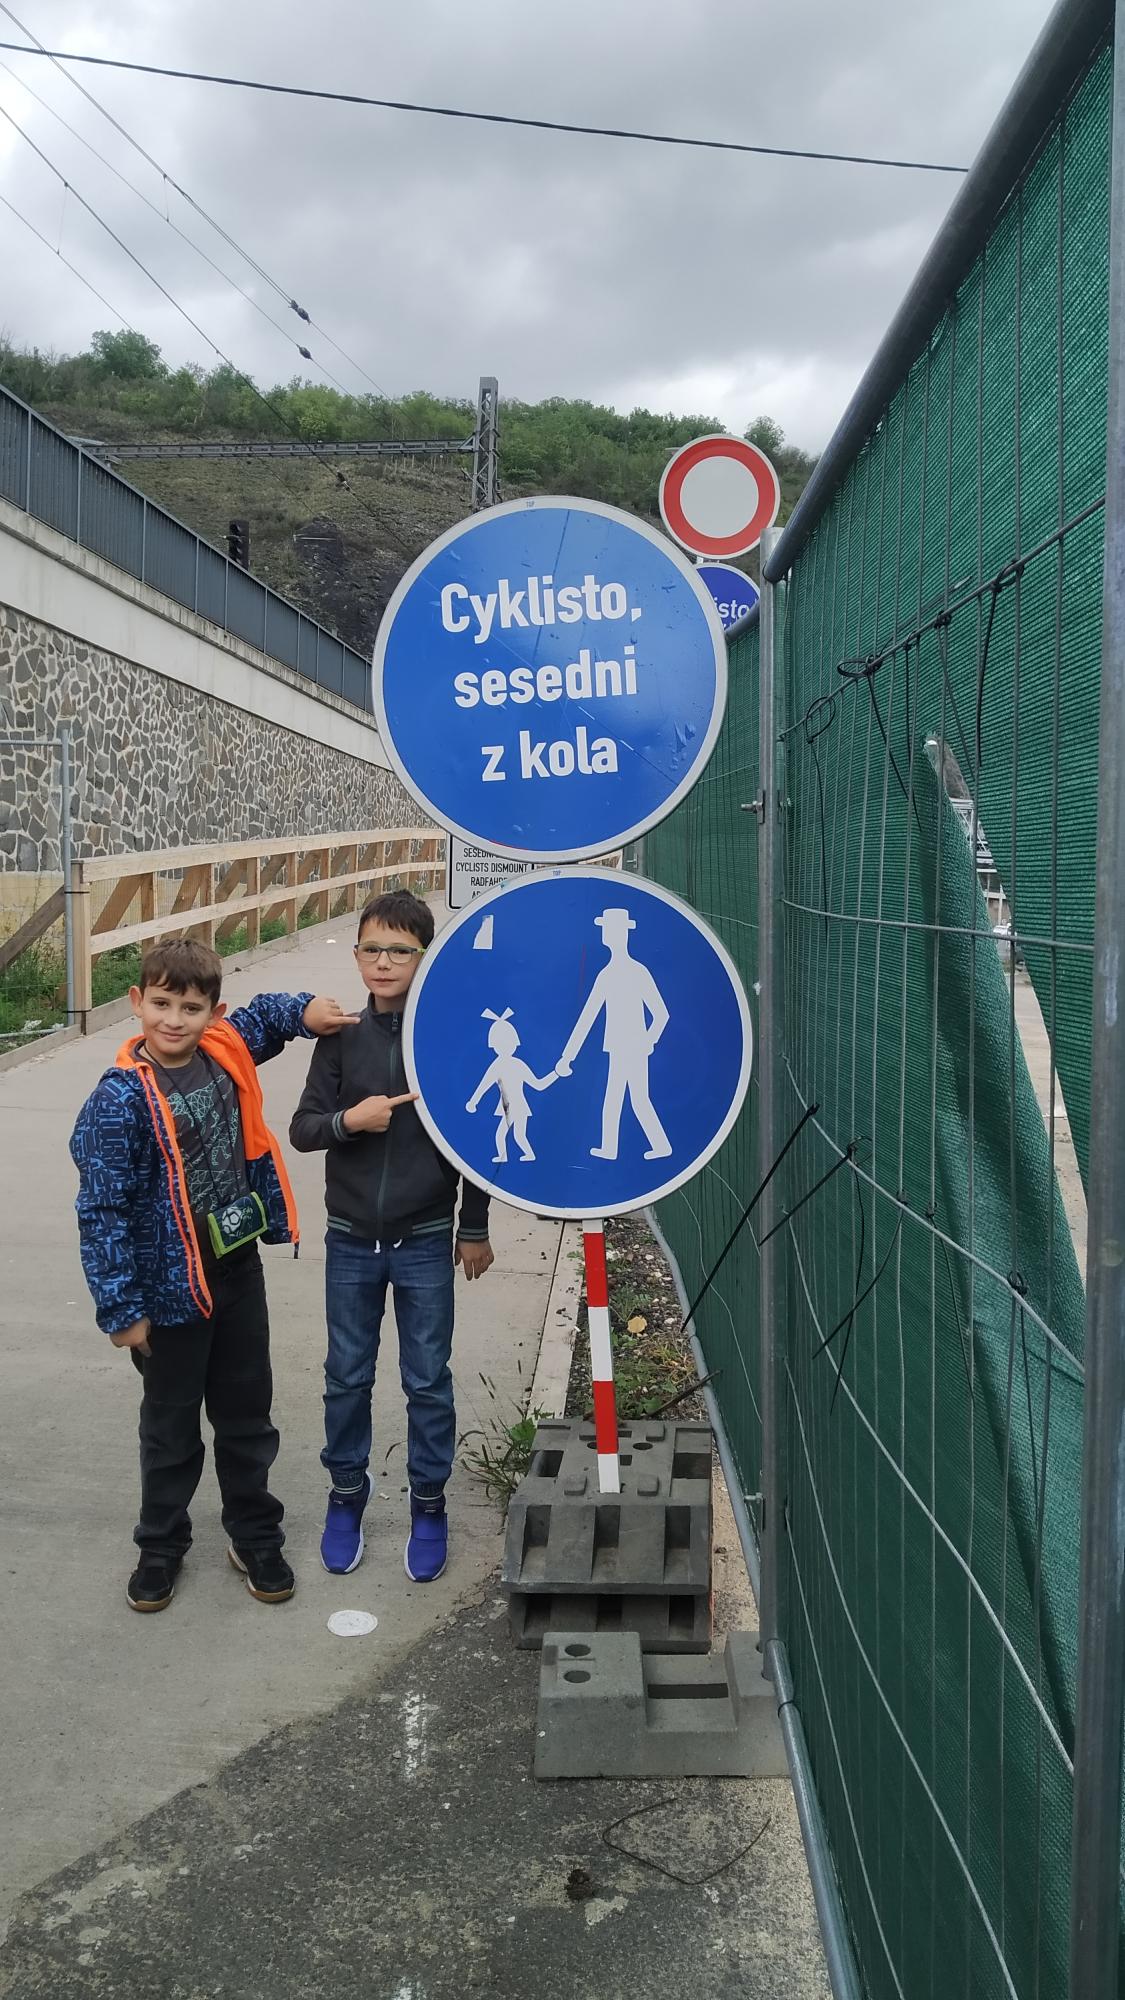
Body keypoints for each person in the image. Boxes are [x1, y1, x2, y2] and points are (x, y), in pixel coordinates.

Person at [69, 938, 356, 1614]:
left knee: (247, 1417)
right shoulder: (118, 1100)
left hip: (236, 1271)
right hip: (167, 1294)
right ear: (137, 1002)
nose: (174, 1020)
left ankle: (254, 1535)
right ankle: (160, 1546)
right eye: (161, 1004)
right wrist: (121, 1309)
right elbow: (101, 1210)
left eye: (190, 1008)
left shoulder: (223, 1051)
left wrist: (304, 1010)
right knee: (170, 1430)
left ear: (211, 1013)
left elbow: (263, 1018)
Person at [289, 890, 494, 1584]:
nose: (383, 962)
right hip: (350, 1240)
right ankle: (347, 1493)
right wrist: (351, 1121)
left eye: (400, 950)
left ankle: (428, 1503)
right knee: (346, 1376)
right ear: (356, 956)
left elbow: (474, 1140)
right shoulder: (340, 1037)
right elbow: (304, 1128)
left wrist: (473, 1227)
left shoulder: (445, 1040)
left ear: (424, 958)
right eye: (371, 948)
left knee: (426, 1379)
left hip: (426, 1237)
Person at [555, 906, 672, 1160]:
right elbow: (587, 1017)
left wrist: (648, 1040)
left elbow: (662, 1014)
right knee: (621, 1098)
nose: (604, 934)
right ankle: (613, 1147)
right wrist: (567, 1056)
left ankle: (655, 1146)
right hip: (618, 1047)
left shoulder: (636, 972)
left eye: (608, 929)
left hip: (634, 1048)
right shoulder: (606, 974)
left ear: (620, 934)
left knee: (635, 1099)